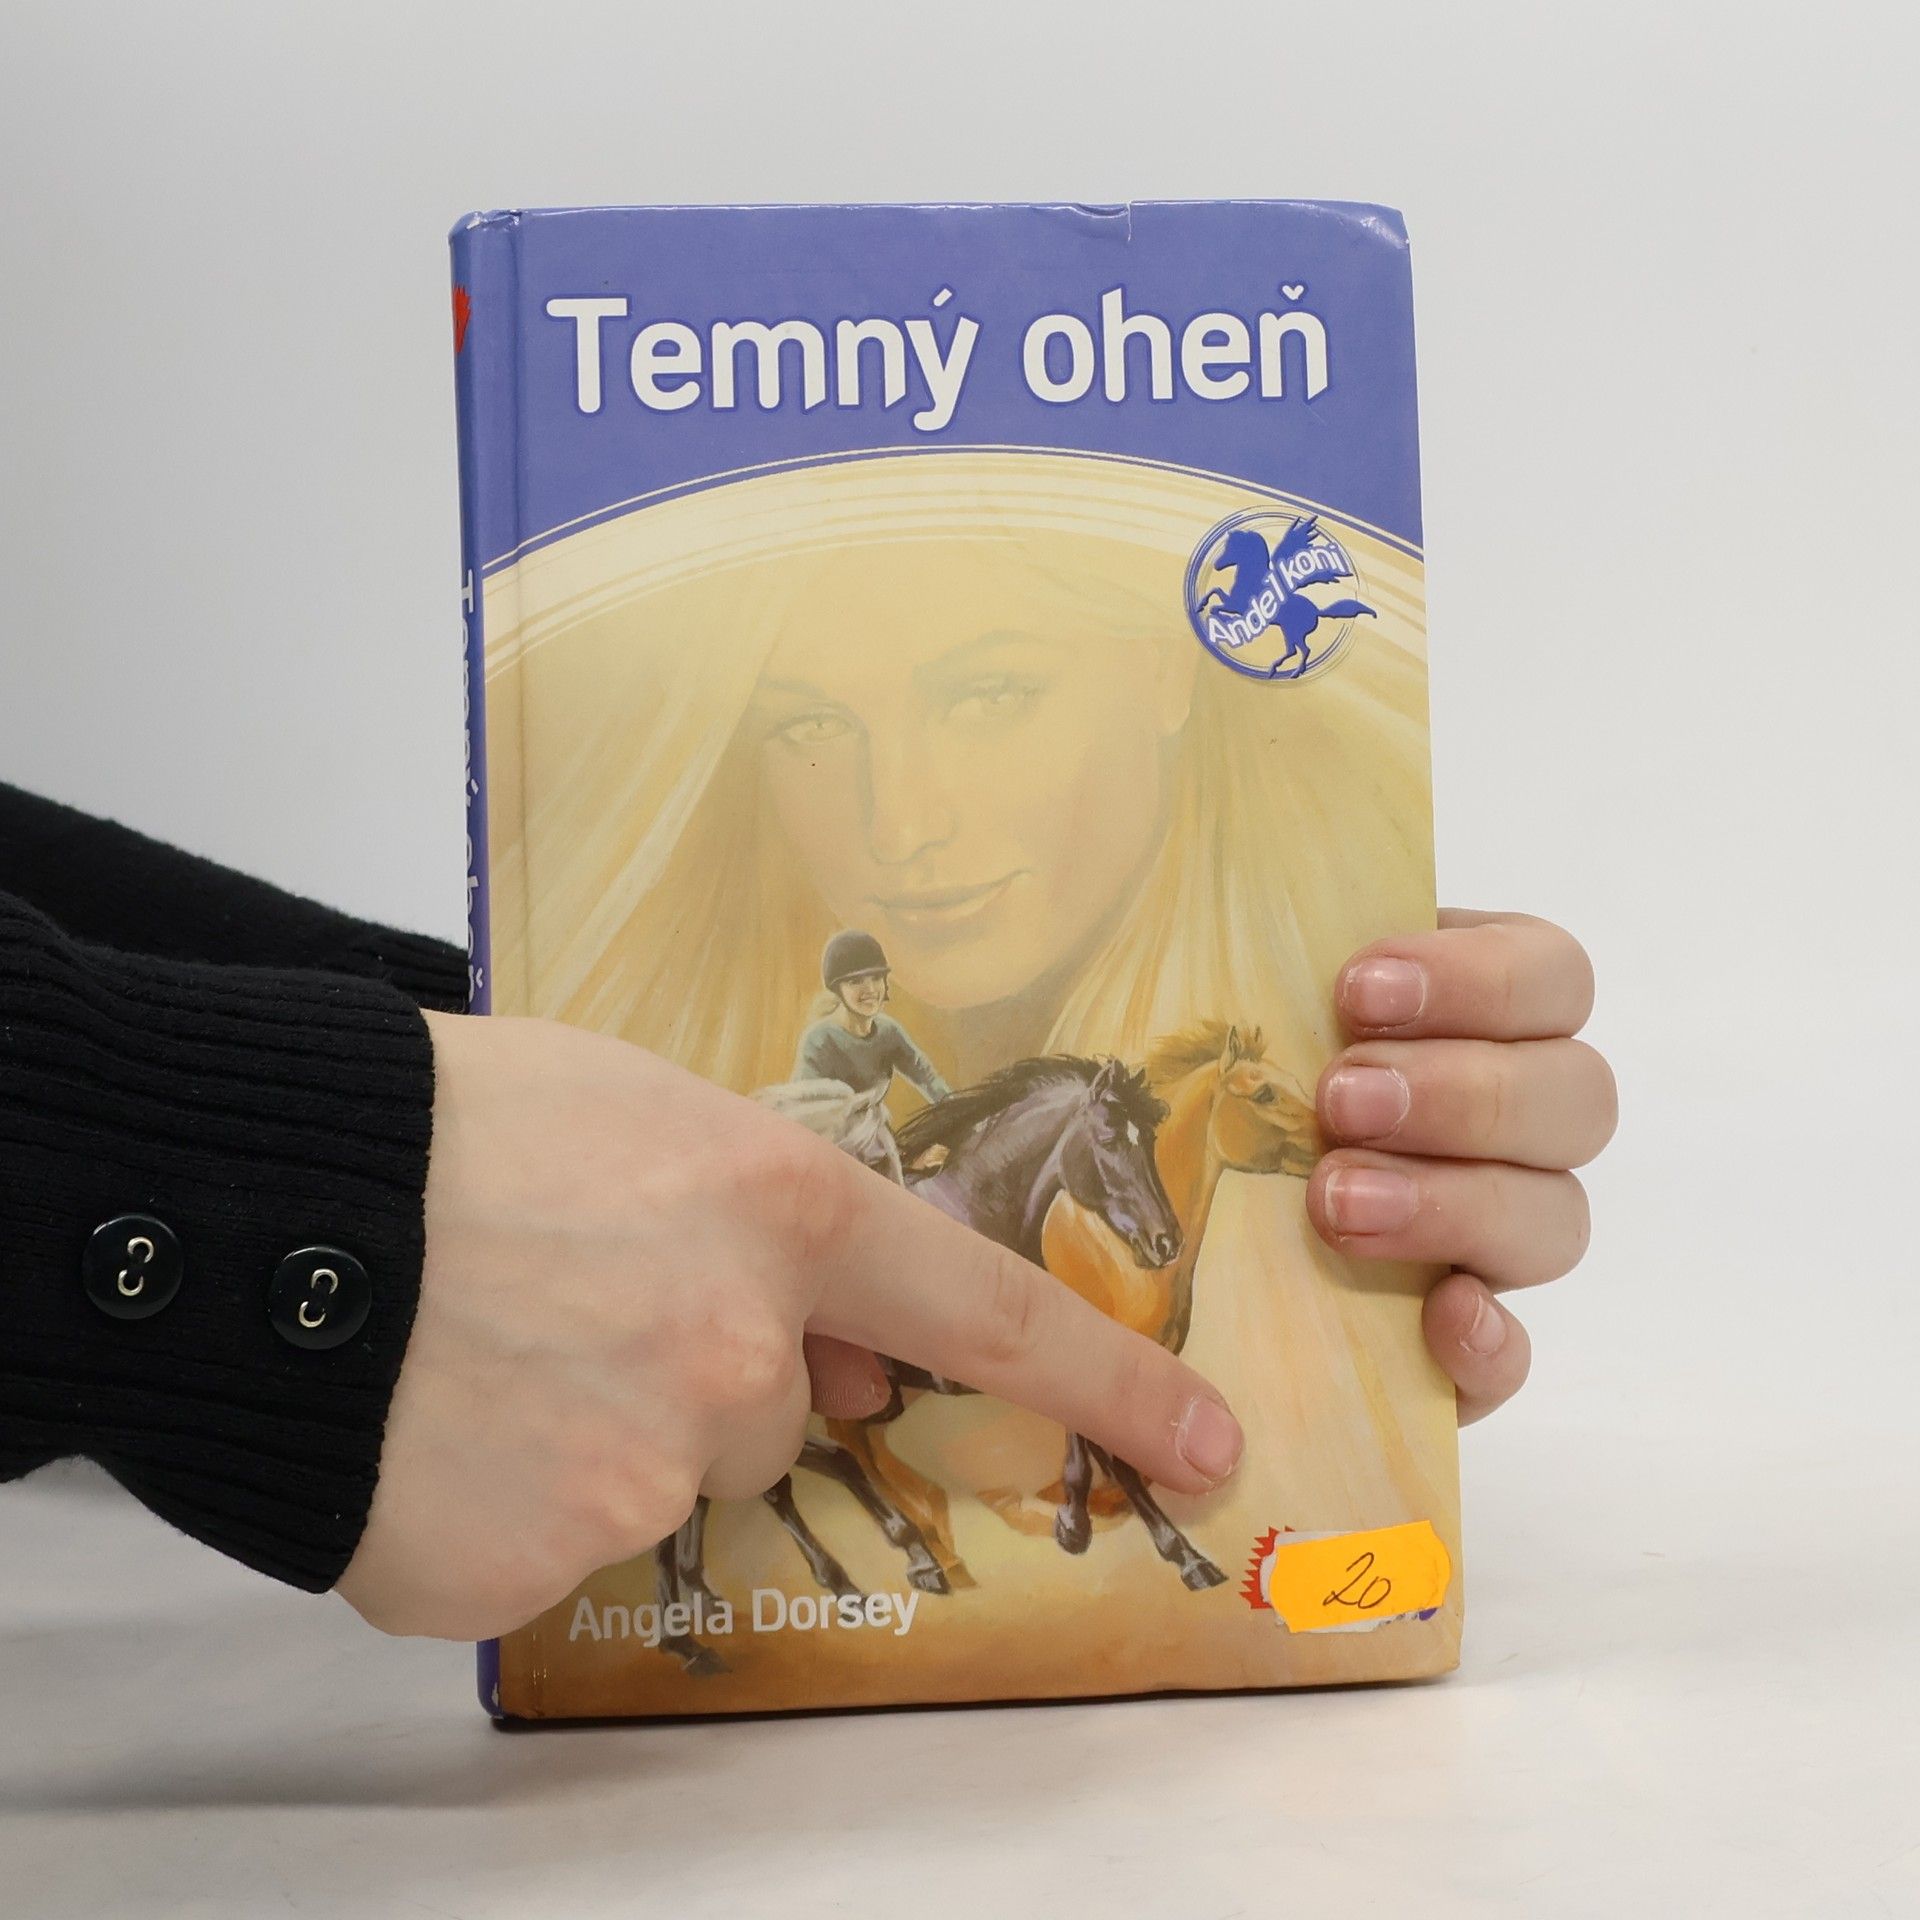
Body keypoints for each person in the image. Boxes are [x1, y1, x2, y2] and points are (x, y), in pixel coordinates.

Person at [0, 777, 1616, 1645]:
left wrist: (530, 1105)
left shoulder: (879, 1027)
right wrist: (271, 1195)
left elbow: (913, 1079)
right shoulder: (841, 1037)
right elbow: (853, 1089)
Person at [768, 930, 950, 1183]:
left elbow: (927, 1076)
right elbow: (808, 1113)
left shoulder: (889, 1031)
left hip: (876, 1141)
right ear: (838, 989)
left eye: (876, 978)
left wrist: (960, 1116)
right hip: (833, 1148)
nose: (870, 989)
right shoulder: (819, 1039)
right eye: (856, 982)